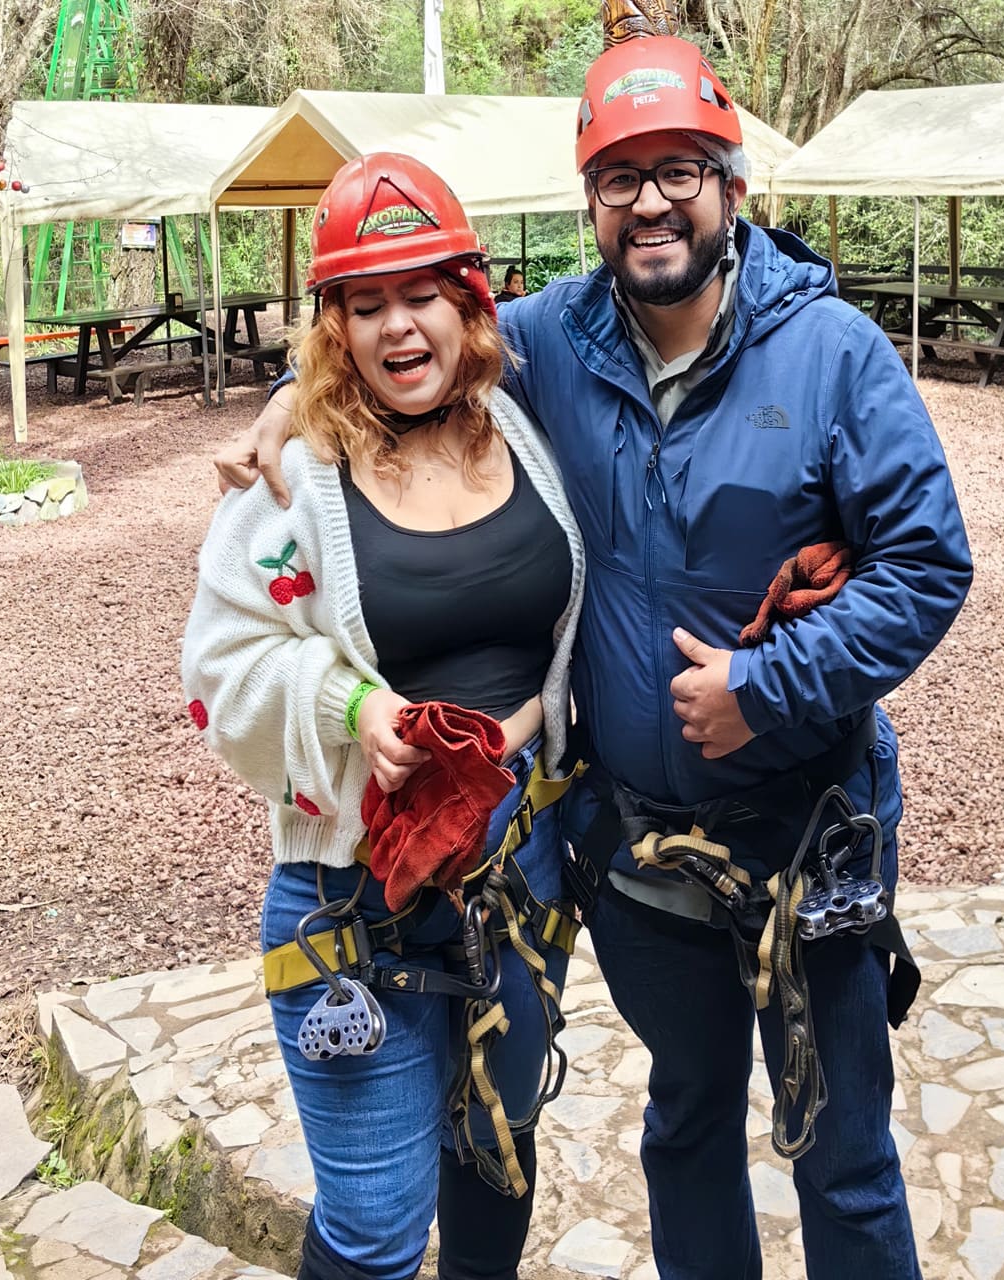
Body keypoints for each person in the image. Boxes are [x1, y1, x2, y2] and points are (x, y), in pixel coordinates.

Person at [217, 35, 972, 1280]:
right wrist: (287, 406)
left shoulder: (833, 354)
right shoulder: (552, 343)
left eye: (679, 169)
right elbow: (410, 335)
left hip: (807, 834)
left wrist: (765, 687)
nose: (651, 202)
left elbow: (926, 566)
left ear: (731, 185)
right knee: (686, 1121)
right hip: (641, 853)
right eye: (621, 177)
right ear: (591, 203)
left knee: (842, 1149)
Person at [185, 152, 585, 1280]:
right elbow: (217, 666)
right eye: (367, 304)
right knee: (374, 1229)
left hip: (518, 864)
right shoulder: (295, 480)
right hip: (355, 895)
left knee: (498, 1148)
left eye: (423, 294)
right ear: (336, 328)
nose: (400, 326)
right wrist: (348, 703)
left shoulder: (524, 426)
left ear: (470, 303)